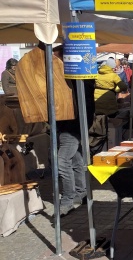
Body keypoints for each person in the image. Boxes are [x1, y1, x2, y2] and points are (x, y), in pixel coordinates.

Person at [53, 45, 95, 216]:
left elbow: (79, 102)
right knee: (76, 159)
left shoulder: (75, 77)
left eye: (56, 58)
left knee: (62, 161)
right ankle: (82, 193)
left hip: (72, 124)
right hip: (71, 124)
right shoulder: (79, 75)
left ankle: (68, 200)